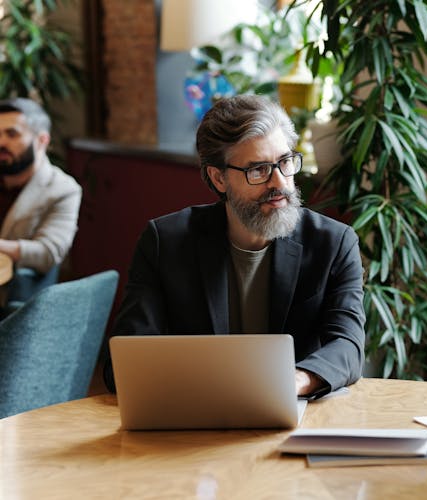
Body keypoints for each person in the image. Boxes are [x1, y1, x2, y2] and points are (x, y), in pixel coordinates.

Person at [105, 95, 365, 398]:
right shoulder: (166, 242)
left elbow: (347, 347)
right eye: (258, 170)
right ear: (218, 178)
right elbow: (124, 361)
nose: (279, 183)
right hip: (195, 413)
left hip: (297, 413)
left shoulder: (333, 243)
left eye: (285, 162)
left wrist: (292, 382)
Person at [0, 98, 82, 305]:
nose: (1, 142)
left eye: (12, 134)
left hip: (13, 295)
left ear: (42, 140)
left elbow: (48, 253)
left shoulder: (62, 189)